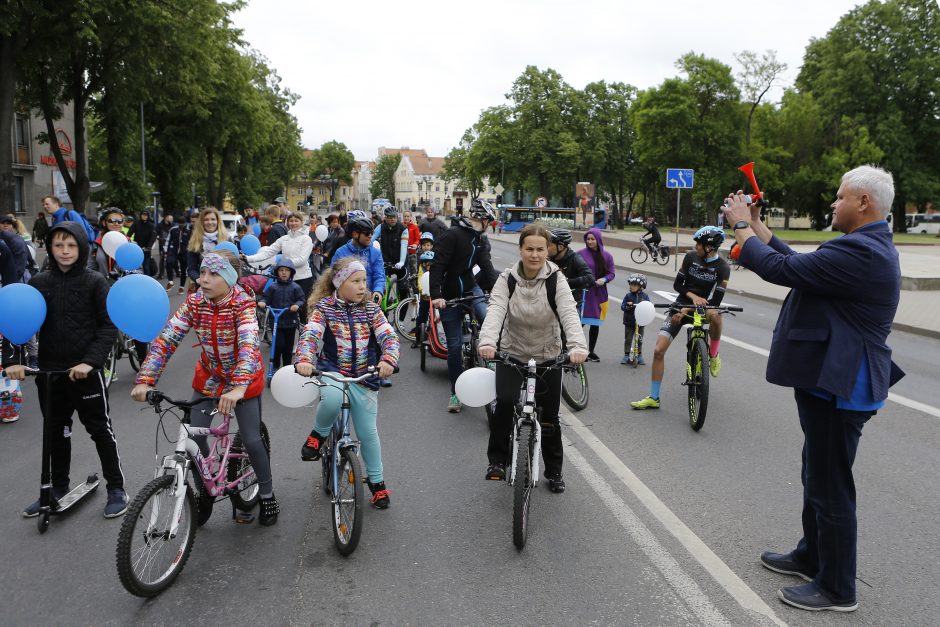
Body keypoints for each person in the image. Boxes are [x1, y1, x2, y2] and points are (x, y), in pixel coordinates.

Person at [723, 165, 904, 613]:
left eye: (840, 196)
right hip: (831, 381)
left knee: (831, 485)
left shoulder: (863, 253)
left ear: (864, 202)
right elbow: (798, 267)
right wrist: (760, 227)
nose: (833, 203)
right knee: (816, 474)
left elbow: (779, 271)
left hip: (843, 385)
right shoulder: (863, 246)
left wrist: (743, 227)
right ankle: (811, 556)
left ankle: (838, 588)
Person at [131, 250, 279, 525]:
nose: (204, 280)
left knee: (250, 438)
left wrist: (238, 388)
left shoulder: (243, 304)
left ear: (230, 279)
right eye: (202, 273)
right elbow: (167, 339)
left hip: (242, 378)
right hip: (210, 377)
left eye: (213, 274)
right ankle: (206, 490)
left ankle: (268, 494)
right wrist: (145, 379)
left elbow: (249, 345)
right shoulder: (195, 302)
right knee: (194, 438)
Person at [4, 222, 128, 518]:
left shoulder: (95, 281)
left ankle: (116, 488)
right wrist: (13, 362)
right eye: (59, 245)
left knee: (100, 431)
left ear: (82, 247)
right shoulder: (39, 283)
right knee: (56, 433)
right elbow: (18, 324)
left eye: (71, 245)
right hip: (50, 373)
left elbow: (109, 326)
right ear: (50, 247)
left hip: (85, 373)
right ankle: (56, 488)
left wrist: (91, 362)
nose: (65, 251)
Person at [477, 224, 588, 491]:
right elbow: (496, 310)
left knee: (549, 416)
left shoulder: (556, 279)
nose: (535, 255)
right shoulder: (508, 279)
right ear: (521, 250)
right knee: (503, 403)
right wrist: (488, 342)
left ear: (547, 251)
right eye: (529, 249)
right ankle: (497, 461)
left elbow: (569, 313)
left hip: (547, 354)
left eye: (540, 249)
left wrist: (577, 346)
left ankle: (554, 471)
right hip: (512, 352)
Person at [294, 257, 400, 509]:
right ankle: (318, 435)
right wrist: (305, 359)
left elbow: (388, 335)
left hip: (365, 375)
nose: (363, 286)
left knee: (368, 433)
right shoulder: (325, 308)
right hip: (333, 371)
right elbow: (310, 335)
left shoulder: (372, 309)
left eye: (364, 280)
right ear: (339, 283)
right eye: (356, 281)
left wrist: (389, 358)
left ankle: (376, 482)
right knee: (330, 399)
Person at [630, 225, 729, 410]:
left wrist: (690, 309)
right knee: (658, 350)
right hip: (682, 303)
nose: (695, 247)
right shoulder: (691, 257)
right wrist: (689, 301)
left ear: (709, 247)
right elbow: (677, 285)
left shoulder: (723, 267)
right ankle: (653, 397)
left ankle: (713, 355)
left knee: (716, 316)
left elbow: (716, 300)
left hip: (705, 308)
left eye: (698, 244)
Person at [429, 199, 499, 412]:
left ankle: (490, 358)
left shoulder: (479, 239)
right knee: (454, 346)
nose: (490, 225)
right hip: (449, 295)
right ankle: (456, 393)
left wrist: (499, 292)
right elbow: (437, 266)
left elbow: (486, 267)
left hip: (471, 288)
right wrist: (436, 295)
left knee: (488, 317)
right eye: (490, 221)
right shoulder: (452, 235)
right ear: (483, 219)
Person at [258, 258, 305, 371]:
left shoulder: (295, 287)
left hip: (290, 322)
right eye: (281, 270)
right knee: (278, 346)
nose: (284, 273)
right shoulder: (273, 287)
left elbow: (301, 299)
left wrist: (297, 305)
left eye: (287, 270)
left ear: (291, 273)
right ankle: (275, 366)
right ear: (277, 272)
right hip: (276, 322)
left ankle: (287, 368)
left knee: (288, 348)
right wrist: (263, 302)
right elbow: (265, 298)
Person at [578, 228, 615, 361]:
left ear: (598, 240)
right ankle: (576, 349)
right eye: (588, 239)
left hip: (599, 294)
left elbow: (611, 273)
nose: (590, 241)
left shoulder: (607, 256)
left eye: (592, 239)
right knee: (578, 323)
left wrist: (604, 280)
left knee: (595, 324)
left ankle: (590, 351)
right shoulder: (580, 254)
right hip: (584, 293)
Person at [331, 214, 385, 304]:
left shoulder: (375, 252)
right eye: (367, 233)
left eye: (372, 232)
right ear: (355, 234)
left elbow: (379, 276)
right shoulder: (340, 252)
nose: (370, 236)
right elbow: (334, 277)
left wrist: (378, 291)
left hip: (368, 300)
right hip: (345, 301)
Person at [546, 228, 594, 313]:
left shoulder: (575, 259)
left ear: (560, 247)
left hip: (571, 305)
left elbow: (590, 279)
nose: (546, 248)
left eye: (549, 245)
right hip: (551, 303)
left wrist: (566, 282)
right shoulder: (548, 259)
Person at [186, 206, 231, 292]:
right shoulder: (195, 241)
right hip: (203, 287)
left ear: (218, 221)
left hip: (224, 287)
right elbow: (191, 269)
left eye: (213, 219)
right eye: (206, 219)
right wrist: (198, 279)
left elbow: (233, 265)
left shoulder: (227, 239)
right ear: (202, 222)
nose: (210, 222)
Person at [372, 206, 410, 300]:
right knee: (379, 287)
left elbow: (404, 245)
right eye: (389, 217)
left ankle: (402, 311)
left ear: (397, 217)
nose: (392, 219)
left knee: (403, 289)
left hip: (400, 262)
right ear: (385, 217)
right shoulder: (380, 227)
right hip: (385, 261)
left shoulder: (403, 228)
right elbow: (370, 240)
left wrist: (401, 261)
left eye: (394, 217)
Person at [620, 273, 651, 365]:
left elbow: (649, 306)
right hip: (629, 321)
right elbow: (622, 306)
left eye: (634, 285)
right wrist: (628, 306)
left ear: (641, 286)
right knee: (628, 339)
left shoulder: (645, 297)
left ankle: (639, 355)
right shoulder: (628, 296)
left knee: (639, 339)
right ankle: (626, 354)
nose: (631, 286)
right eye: (631, 284)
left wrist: (646, 307)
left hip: (640, 322)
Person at [127, 210, 156, 276]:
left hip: (146, 248)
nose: (144, 216)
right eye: (143, 215)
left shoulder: (151, 225)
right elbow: (129, 233)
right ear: (140, 215)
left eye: (146, 215)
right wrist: (127, 239)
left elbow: (153, 237)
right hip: (136, 247)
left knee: (146, 267)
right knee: (134, 266)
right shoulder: (136, 223)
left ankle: (148, 281)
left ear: (148, 216)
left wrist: (149, 246)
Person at [177, 212, 194, 294]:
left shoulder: (188, 231)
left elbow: (191, 242)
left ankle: (181, 286)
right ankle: (171, 280)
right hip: (175, 252)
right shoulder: (174, 230)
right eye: (180, 223)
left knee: (184, 270)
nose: (181, 225)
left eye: (182, 223)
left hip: (185, 253)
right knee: (170, 263)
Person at [401, 209, 421, 280]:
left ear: (410, 217)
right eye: (405, 216)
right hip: (402, 253)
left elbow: (418, 238)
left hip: (411, 252)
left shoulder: (414, 227)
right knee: (402, 272)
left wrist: (415, 244)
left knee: (413, 272)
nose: (406, 218)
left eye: (408, 216)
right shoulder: (400, 225)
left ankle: (415, 288)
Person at [155, 213, 174, 280]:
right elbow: (156, 233)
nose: (171, 220)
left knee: (172, 259)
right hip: (162, 245)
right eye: (170, 218)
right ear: (166, 218)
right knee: (162, 259)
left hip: (171, 245)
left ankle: (174, 272)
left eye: (172, 219)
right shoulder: (160, 225)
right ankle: (161, 274)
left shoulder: (172, 225)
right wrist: (159, 238)